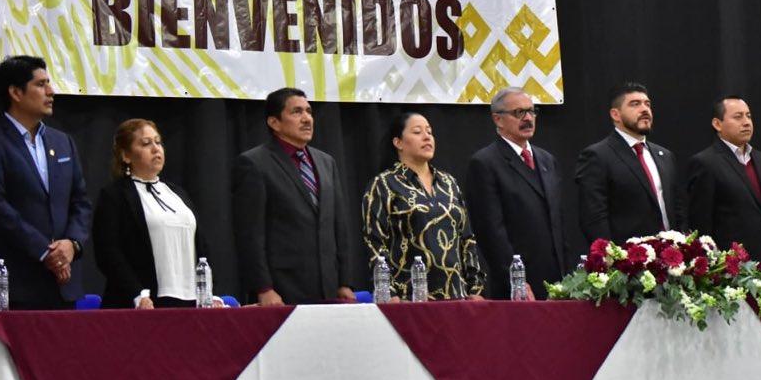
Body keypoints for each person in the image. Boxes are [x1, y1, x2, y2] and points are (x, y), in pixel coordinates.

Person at [0, 56, 92, 309]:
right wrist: (45, 251)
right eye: (40, 85)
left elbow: (81, 202)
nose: (50, 91)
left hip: (63, 284)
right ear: (16, 92)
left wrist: (72, 245)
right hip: (17, 284)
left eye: (49, 83)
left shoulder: (63, 142)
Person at [233, 88, 355, 305]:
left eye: (309, 111)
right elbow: (250, 234)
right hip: (282, 289)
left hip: (328, 288)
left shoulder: (327, 162)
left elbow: (339, 227)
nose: (307, 118)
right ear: (274, 122)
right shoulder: (255, 163)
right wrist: (264, 288)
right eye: (297, 112)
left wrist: (344, 282)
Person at [362, 112, 486, 300]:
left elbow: (467, 238)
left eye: (429, 131)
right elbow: (374, 242)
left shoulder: (449, 183)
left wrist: (475, 288)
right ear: (398, 143)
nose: (427, 136)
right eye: (417, 132)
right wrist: (388, 292)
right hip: (408, 297)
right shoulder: (384, 184)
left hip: (457, 296)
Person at [93, 119, 215, 308]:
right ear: (126, 155)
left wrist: (209, 293)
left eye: (158, 142)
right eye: (146, 143)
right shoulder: (115, 195)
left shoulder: (177, 193)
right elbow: (108, 252)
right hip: (145, 302)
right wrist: (136, 294)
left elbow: (201, 245)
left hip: (190, 300)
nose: (156, 149)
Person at [466, 87, 567, 299]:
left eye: (532, 111)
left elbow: (557, 223)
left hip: (557, 282)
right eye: (519, 113)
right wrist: (517, 280)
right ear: (498, 119)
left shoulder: (547, 160)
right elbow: (491, 232)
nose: (528, 118)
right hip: (518, 285)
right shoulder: (485, 163)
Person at [577, 82, 686, 245]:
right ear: (616, 114)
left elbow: (678, 208)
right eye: (635, 104)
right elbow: (594, 218)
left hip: (672, 259)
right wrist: (613, 259)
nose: (644, 109)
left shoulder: (665, 156)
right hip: (627, 263)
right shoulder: (597, 156)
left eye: (647, 104)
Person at [686, 96, 761, 263]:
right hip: (732, 270)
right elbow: (701, 225)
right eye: (738, 117)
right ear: (717, 124)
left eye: (748, 116)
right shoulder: (705, 163)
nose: (746, 122)